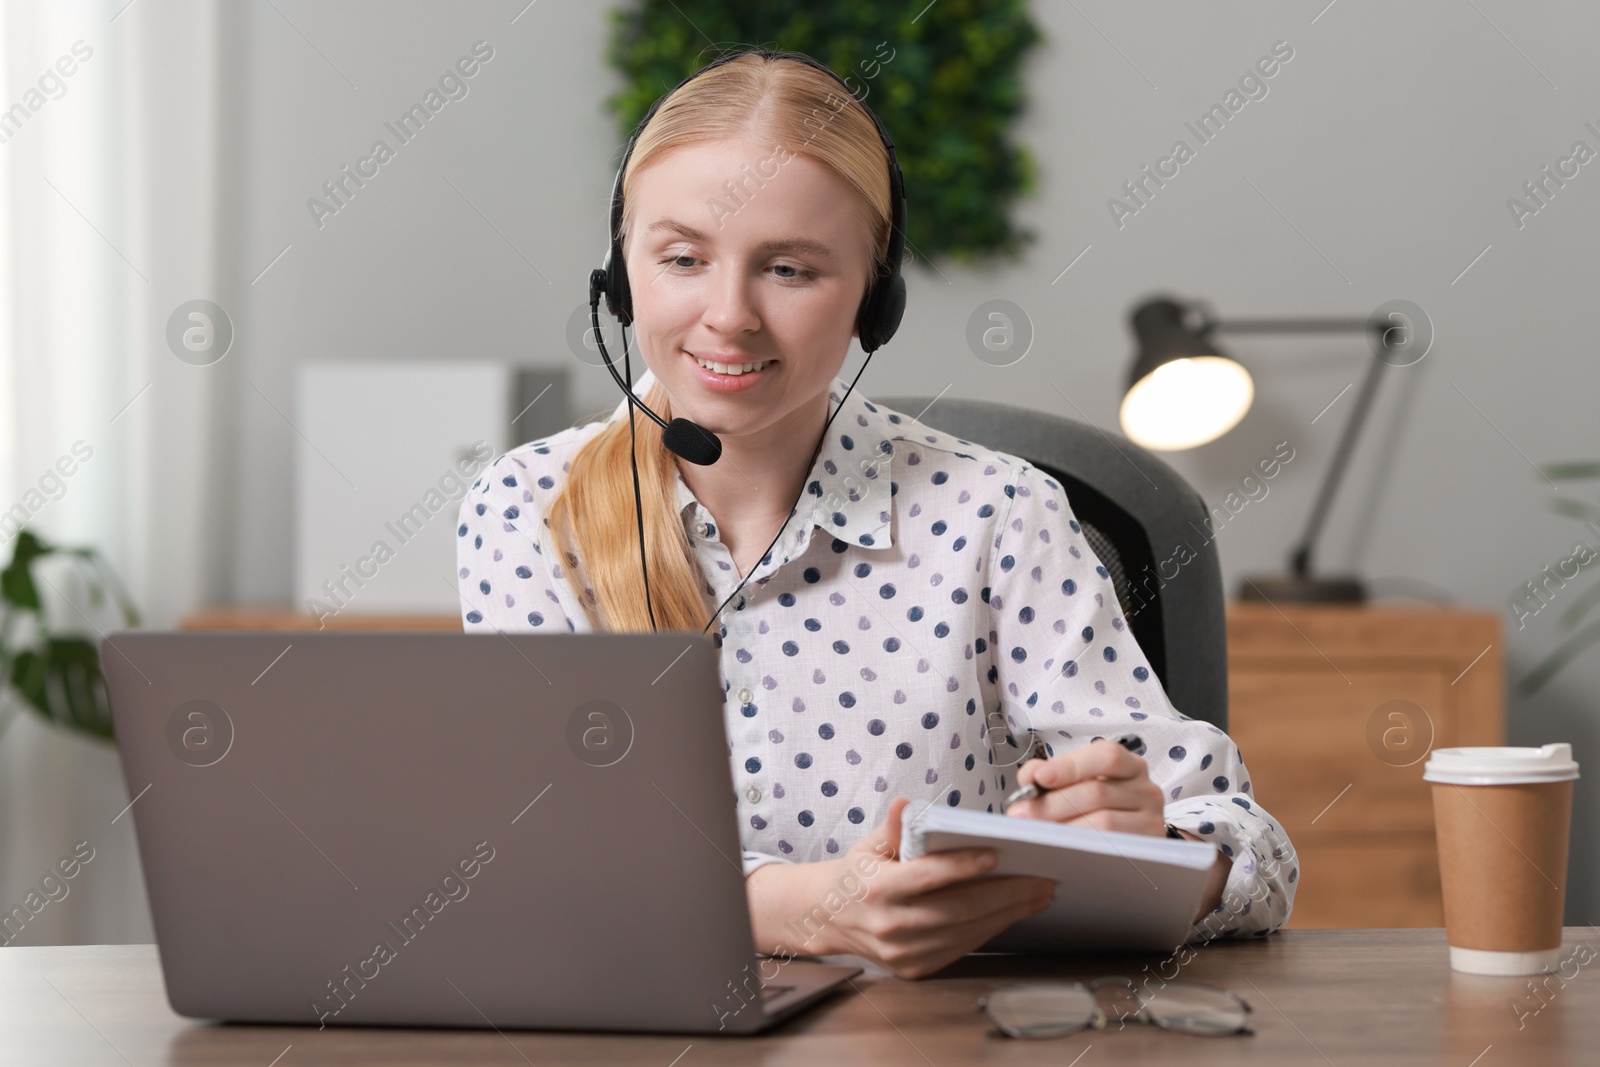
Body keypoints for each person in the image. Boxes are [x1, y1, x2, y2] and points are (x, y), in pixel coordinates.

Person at [456, 50, 1296, 979]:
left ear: (875, 302)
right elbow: (536, 868)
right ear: (620, 277)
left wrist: (1163, 845)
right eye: (683, 257)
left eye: (789, 268)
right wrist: (806, 909)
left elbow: (1254, 849)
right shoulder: (530, 511)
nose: (728, 315)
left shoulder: (999, 515)